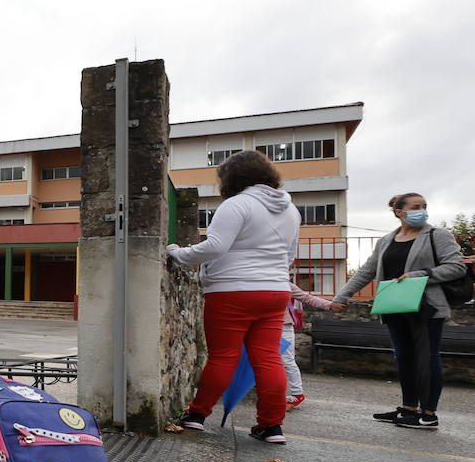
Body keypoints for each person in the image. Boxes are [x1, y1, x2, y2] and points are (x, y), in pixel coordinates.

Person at [168, 150, 300, 444]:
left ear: (231, 177)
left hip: (231, 291)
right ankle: (271, 426)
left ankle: (197, 415)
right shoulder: (291, 210)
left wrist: (178, 254)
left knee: (223, 357)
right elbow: (290, 255)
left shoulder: (236, 205)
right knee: (268, 359)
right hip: (276, 291)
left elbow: (215, 246)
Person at [330, 192, 466, 429]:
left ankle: (429, 414)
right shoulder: (387, 240)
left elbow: (456, 267)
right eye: (416, 206)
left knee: (427, 359)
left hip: (426, 307)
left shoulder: (437, 235)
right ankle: (408, 409)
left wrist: (420, 274)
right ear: (399, 212)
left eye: (424, 206)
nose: (422, 210)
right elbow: (366, 271)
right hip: (395, 306)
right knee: (404, 358)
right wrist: (341, 297)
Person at [283, 286, 332, 408]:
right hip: (263, 326)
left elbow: (306, 298)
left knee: (287, 361)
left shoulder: (283, 282)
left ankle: (297, 394)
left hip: (283, 326)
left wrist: (330, 305)